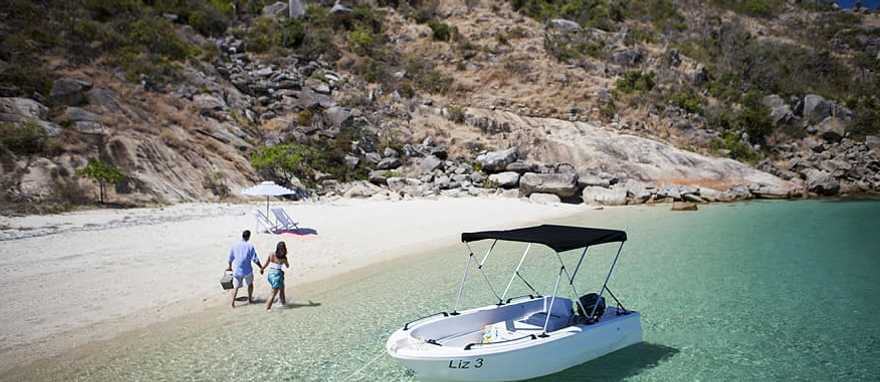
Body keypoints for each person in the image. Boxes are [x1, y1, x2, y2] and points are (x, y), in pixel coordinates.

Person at [226, 230, 262, 309]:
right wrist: (261, 267)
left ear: (242, 236)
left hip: (237, 270)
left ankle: (232, 303)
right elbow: (255, 259)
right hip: (247, 270)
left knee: (236, 287)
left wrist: (229, 267)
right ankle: (250, 300)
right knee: (250, 284)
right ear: (249, 237)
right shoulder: (250, 246)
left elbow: (230, 258)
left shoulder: (234, 245)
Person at [260, 241, 289, 311]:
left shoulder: (271, 254)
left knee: (282, 288)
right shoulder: (284, 258)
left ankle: (283, 303)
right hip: (277, 275)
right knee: (273, 293)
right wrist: (285, 260)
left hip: (271, 274)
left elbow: (266, 263)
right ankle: (267, 308)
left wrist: (262, 269)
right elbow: (287, 266)